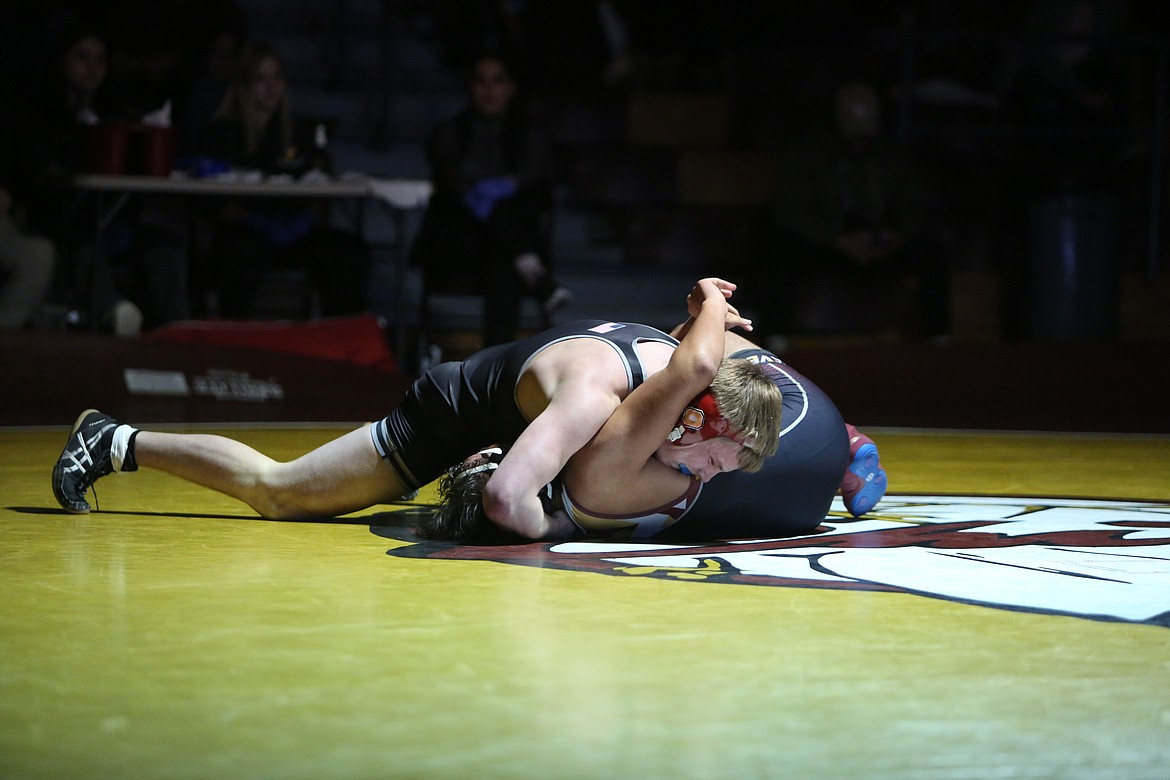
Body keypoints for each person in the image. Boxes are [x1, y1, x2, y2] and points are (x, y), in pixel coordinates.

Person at [52, 279, 777, 541]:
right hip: (450, 414)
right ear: (689, 415)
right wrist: (555, 521)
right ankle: (117, 440)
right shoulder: (594, 398)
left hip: (509, 416)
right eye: (715, 455)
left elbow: (697, 358)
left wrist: (705, 308)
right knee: (280, 493)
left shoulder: (669, 362)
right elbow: (503, 497)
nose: (712, 472)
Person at [756, 81, 950, 341]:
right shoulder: (808, 154)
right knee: (780, 249)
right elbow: (787, 212)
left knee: (931, 249)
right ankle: (775, 338)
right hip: (829, 247)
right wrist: (838, 240)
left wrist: (893, 237)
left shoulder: (891, 155)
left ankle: (938, 338)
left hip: (882, 245)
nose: (859, 143)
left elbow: (913, 208)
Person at [195, 41, 370, 318]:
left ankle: (343, 345)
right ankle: (232, 345)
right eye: (261, 78)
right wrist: (259, 222)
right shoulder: (221, 133)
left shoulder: (298, 132)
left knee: (347, 253)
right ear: (243, 84)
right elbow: (216, 202)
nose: (271, 87)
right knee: (244, 254)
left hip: (294, 232)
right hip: (246, 232)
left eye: (277, 77)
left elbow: (317, 192)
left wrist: (299, 222)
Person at [411, 52, 570, 347]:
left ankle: (493, 364)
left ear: (511, 87)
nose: (488, 90)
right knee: (506, 241)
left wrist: (508, 186)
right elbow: (450, 182)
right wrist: (477, 197)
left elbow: (536, 175)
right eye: (481, 81)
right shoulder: (448, 132)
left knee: (504, 259)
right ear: (470, 86)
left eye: (497, 81)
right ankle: (533, 273)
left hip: (503, 245)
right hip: (461, 241)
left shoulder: (528, 134)